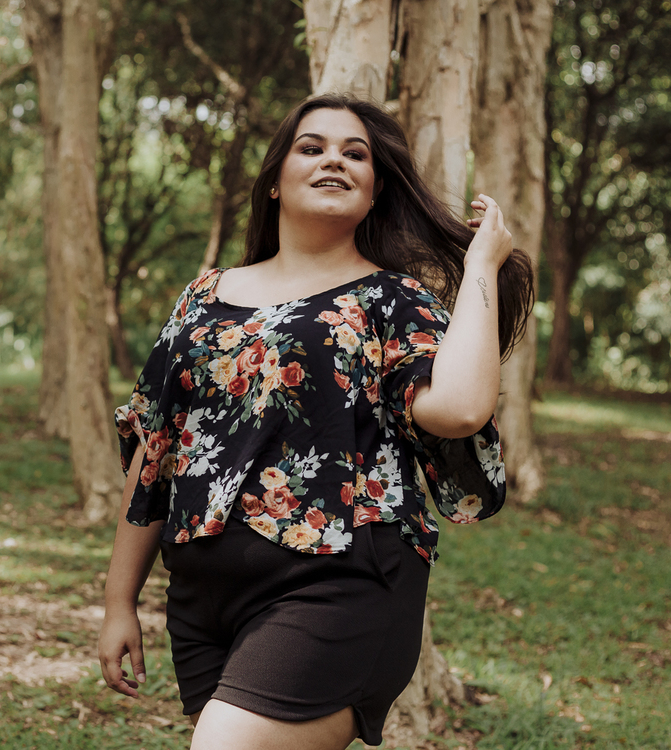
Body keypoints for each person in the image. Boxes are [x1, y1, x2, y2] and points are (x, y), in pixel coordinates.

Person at [98, 93, 534, 750]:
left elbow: (461, 409)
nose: (334, 159)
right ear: (275, 180)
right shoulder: (204, 295)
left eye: (354, 153)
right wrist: (118, 602)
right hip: (201, 600)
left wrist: (479, 267)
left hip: (338, 583)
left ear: (375, 190)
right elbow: (155, 450)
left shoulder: (391, 299)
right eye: (313, 146)